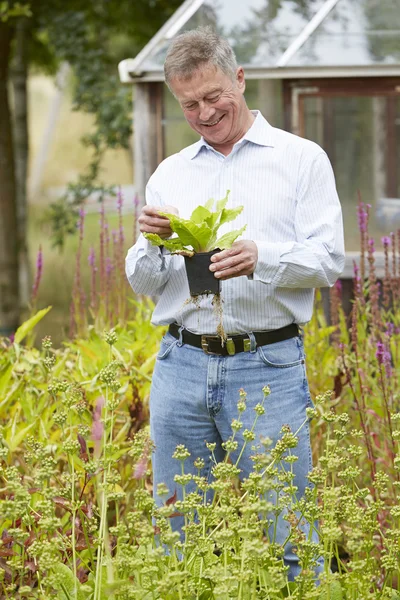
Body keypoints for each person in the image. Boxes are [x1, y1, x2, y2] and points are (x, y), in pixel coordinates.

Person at [125, 26, 345, 580]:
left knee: (289, 530)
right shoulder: (170, 173)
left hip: (266, 364)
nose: (203, 113)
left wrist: (261, 258)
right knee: (178, 531)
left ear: (240, 79)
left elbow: (327, 261)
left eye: (214, 96)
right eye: (188, 103)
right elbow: (146, 284)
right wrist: (148, 243)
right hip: (180, 364)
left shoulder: (301, 160)